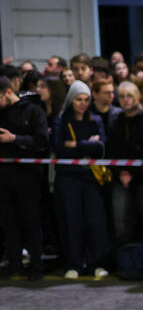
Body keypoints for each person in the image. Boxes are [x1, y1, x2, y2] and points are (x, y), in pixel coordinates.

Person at [52, 80, 111, 279]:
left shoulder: (96, 120)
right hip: (68, 177)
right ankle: (74, 264)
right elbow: (60, 148)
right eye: (78, 99)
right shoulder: (61, 120)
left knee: (95, 221)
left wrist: (76, 144)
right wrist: (88, 145)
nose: (83, 104)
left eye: (86, 100)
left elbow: (101, 147)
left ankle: (97, 263)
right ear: (71, 100)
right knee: (71, 221)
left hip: (90, 177)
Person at [0, 76, 49, 280]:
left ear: (8, 92)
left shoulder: (33, 110)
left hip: (28, 177)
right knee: (8, 222)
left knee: (31, 222)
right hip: (3, 177)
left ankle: (36, 266)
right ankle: (14, 263)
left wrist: (14, 139)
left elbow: (42, 142)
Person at [107, 81, 143, 250]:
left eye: (129, 96)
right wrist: (121, 173)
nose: (125, 100)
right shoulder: (115, 121)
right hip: (121, 178)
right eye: (121, 96)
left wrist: (133, 174)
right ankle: (127, 261)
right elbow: (112, 151)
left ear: (137, 97)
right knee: (121, 224)